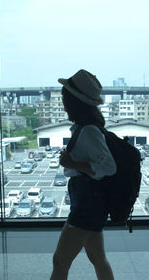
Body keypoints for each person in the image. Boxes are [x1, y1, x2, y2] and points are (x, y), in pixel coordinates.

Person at [49, 69, 117, 280]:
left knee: (60, 261)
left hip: (88, 204)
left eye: (64, 99)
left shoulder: (88, 130)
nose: (63, 103)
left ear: (74, 102)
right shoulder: (83, 127)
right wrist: (73, 163)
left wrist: (72, 163)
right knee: (97, 258)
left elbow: (108, 166)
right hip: (90, 202)